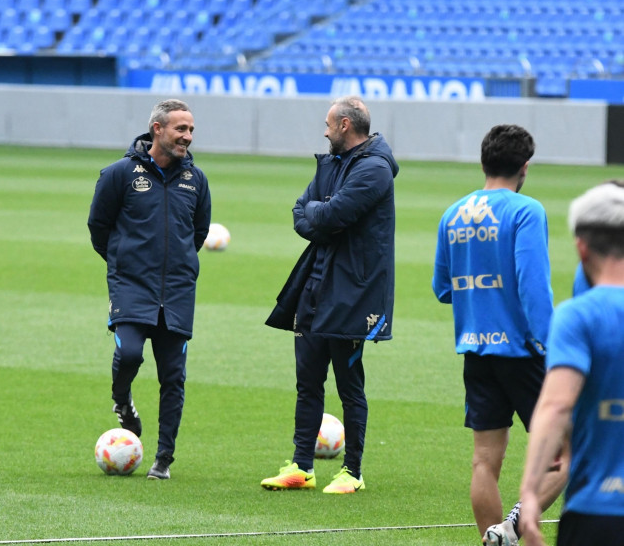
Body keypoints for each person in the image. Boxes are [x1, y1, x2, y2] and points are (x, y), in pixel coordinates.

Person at [431, 124, 568, 545]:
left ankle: (495, 540)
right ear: (525, 167)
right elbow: (532, 286)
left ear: (483, 161)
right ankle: (512, 525)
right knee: (567, 454)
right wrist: (554, 346)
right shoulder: (526, 211)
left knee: (484, 462)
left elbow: (443, 288)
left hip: (476, 350)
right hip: (524, 350)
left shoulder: (453, 213)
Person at [262, 95, 398, 494]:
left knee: (349, 383)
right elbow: (300, 211)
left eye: (327, 124)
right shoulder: (332, 164)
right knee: (308, 381)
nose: (323, 131)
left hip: (351, 293)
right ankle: (302, 467)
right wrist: (319, 214)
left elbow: (332, 215)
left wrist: (319, 214)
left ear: (344, 125)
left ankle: (352, 471)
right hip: (316, 286)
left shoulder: (374, 170)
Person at [88, 99, 211, 480]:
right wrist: (124, 263)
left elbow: (199, 232)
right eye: (181, 129)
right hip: (131, 286)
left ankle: (163, 459)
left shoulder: (196, 180)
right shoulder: (119, 174)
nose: (188, 137)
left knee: (173, 376)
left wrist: (181, 267)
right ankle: (122, 401)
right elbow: (99, 227)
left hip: (176, 291)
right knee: (129, 354)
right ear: (157, 129)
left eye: (190, 129)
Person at [518, 181, 624, 546]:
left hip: (597, 512)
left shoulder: (577, 317)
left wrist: (530, 493)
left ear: (582, 248)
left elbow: (557, 404)